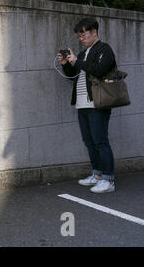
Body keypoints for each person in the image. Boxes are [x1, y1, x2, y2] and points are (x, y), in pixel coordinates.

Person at [58, 17, 116, 193]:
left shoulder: (104, 50)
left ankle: (108, 180)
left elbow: (99, 70)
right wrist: (66, 64)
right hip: (82, 104)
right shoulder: (83, 54)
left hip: (98, 103)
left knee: (100, 141)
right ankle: (97, 175)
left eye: (83, 35)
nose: (81, 39)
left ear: (94, 32)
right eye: (79, 36)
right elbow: (74, 74)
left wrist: (77, 61)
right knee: (89, 142)